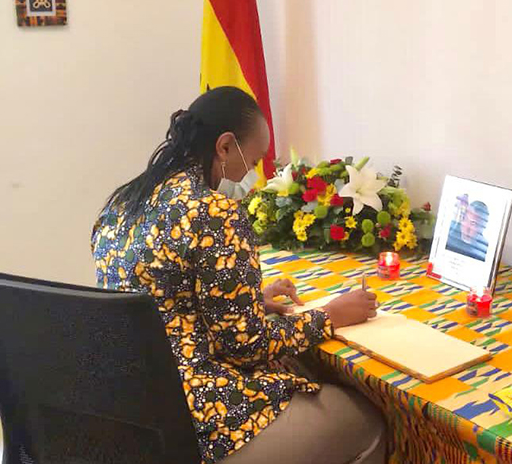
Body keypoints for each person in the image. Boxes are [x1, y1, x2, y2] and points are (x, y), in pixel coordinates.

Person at [91, 87, 384, 464]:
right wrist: (330, 315)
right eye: (254, 158)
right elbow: (246, 346)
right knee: (368, 420)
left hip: (134, 406)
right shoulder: (213, 211)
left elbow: (158, 293)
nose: (254, 173)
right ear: (225, 147)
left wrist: (245, 300)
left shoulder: (123, 201)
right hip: (199, 416)